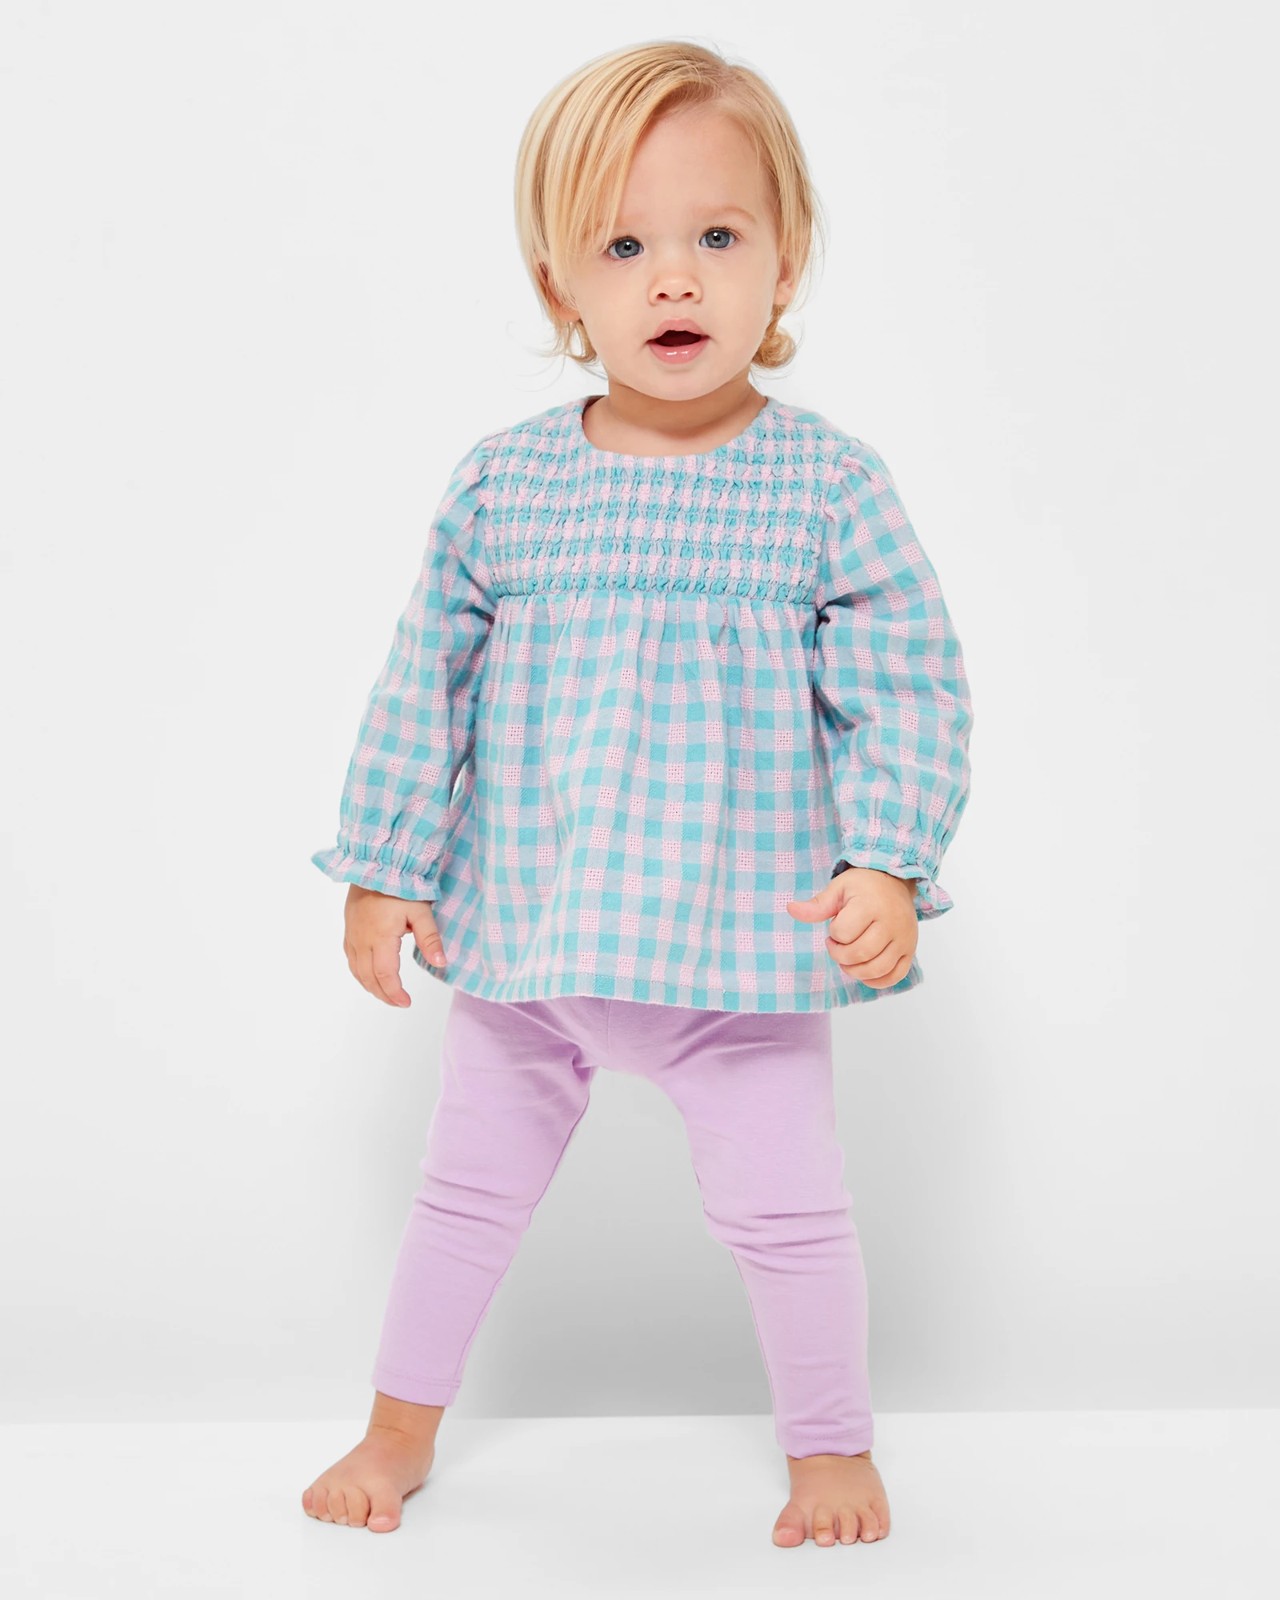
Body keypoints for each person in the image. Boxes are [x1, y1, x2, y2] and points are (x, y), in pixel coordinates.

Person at [301, 39, 974, 1547]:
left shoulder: (827, 487)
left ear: (786, 259)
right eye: (624, 247)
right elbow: (425, 682)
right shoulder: (505, 485)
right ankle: (396, 1431)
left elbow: (910, 686)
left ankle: (830, 1450)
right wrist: (385, 863)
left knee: (788, 1211)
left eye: (717, 236)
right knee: (463, 1196)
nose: (675, 279)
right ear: (560, 285)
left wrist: (885, 856)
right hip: (530, 942)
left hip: (742, 951)